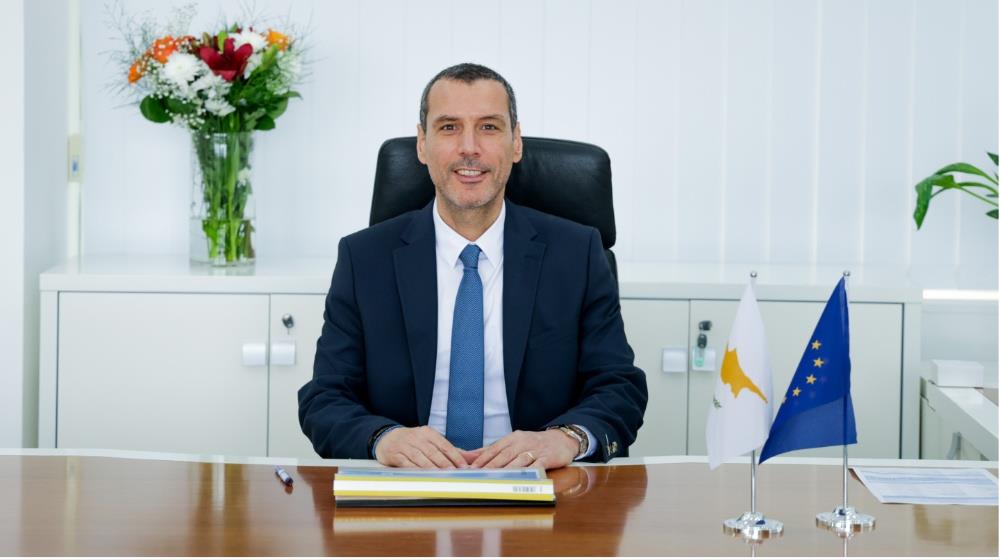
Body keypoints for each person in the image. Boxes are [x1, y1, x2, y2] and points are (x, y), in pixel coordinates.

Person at [298, 63, 646, 469]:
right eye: (449, 127)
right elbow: (325, 398)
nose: (469, 147)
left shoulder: (576, 254)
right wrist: (383, 439)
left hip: (540, 483)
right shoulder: (364, 258)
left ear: (516, 143)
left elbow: (619, 387)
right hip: (406, 482)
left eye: (489, 127)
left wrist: (567, 439)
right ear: (422, 144)